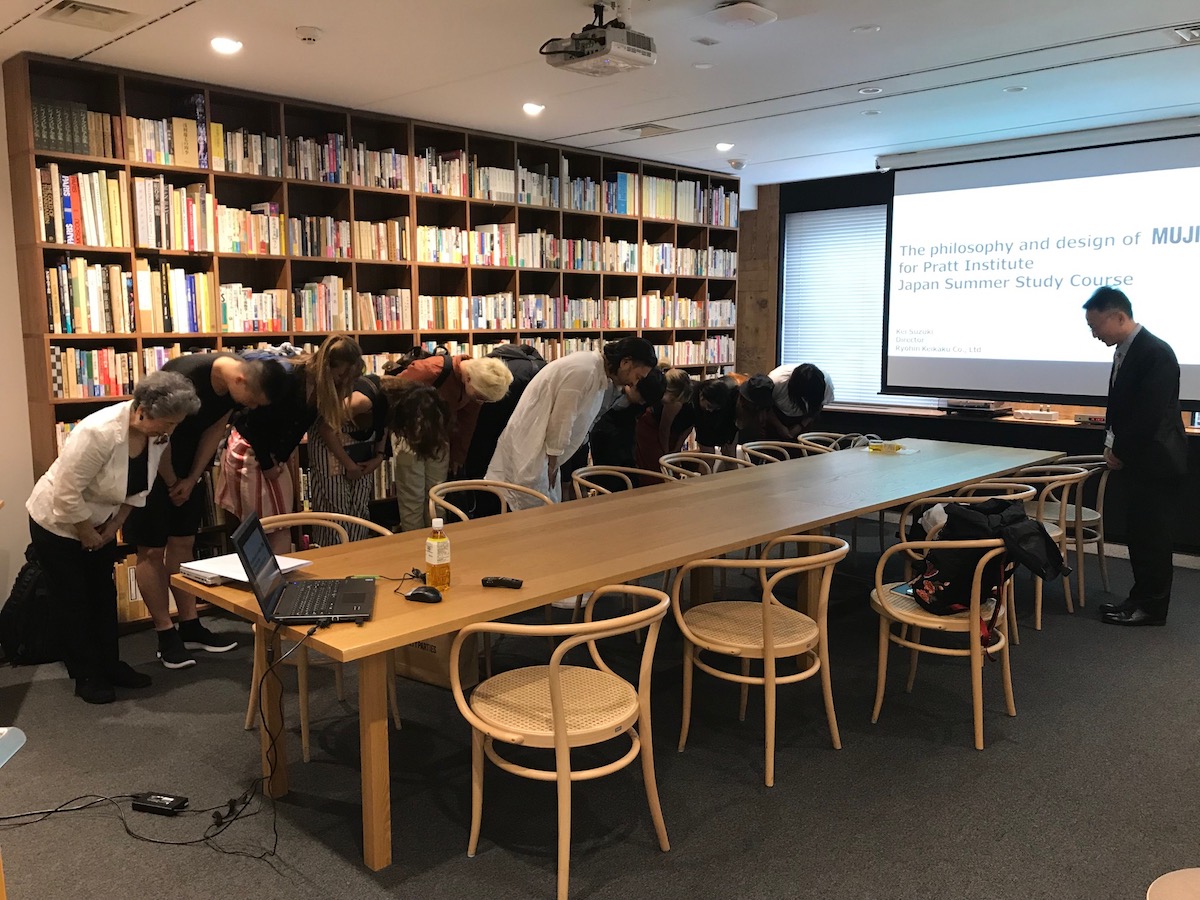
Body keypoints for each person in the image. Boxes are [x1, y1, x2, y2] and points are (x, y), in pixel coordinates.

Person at [26, 370, 201, 704]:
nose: (170, 431)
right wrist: (86, 532)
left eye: (176, 424)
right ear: (141, 411)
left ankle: (110, 664)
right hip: (58, 523)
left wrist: (113, 525)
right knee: (73, 600)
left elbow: (138, 488)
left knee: (103, 596)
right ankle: (86, 674)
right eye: (167, 423)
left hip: (100, 523)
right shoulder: (98, 432)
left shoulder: (155, 435)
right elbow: (66, 492)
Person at [124, 353, 288, 669]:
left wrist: (194, 476)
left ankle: (190, 625)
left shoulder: (232, 388)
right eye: (252, 401)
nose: (251, 408)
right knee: (150, 550)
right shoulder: (185, 376)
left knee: (183, 543)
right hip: (149, 465)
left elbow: (215, 430)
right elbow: (161, 433)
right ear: (240, 380)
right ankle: (165, 633)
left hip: (186, 471)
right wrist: (174, 481)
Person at [1084, 286, 1187, 626]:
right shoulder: (1127, 350)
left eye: (1096, 326)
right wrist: (1113, 444)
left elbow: (1149, 414)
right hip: (1138, 460)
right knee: (1140, 536)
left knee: (1153, 539)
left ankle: (1151, 608)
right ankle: (1138, 600)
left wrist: (1120, 451)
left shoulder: (1155, 352)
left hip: (1156, 462)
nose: (1094, 333)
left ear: (1119, 317)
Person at [216, 334, 364, 554]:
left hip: (273, 455)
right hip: (252, 450)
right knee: (267, 527)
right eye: (341, 374)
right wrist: (267, 465)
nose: (342, 381)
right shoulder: (289, 378)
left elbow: (297, 429)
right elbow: (254, 423)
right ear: (327, 365)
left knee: (282, 523)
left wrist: (279, 460)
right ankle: (268, 582)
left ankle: (278, 581)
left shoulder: (319, 388)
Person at [486, 337, 658, 508]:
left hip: (543, 451)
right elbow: (562, 419)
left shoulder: (595, 370)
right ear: (625, 362)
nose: (634, 383)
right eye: (637, 376)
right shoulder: (585, 371)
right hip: (534, 449)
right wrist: (553, 461)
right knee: (532, 513)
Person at [307, 375, 450, 542]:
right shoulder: (363, 400)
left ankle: (357, 557)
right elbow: (326, 428)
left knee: (359, 511)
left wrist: (379, 456)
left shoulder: (398, 401)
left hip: (361, 445)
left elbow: (383, 424)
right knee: (337, 513)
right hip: (331, 446)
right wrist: (349, 465)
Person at [393, 353, 513, 531]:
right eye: (481, 397)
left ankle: (438, 542)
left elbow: (467, 422)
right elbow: (392, 392)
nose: (480, 401)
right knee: (413, 499)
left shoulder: (476, 385)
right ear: (469, 379)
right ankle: (415, 546)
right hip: (410, 439)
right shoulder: (431, 370)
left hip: (440, 439)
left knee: (439, 498)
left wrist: (458, 455)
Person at [462, 344, 547, 517]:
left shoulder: (493, 374)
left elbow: (484, 421)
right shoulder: (538, 368)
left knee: (485, 493)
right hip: (519, 446)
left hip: (486, 444)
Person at [586, 368, 667, 489]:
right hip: (603, 435)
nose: (641, 403)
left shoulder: (645, 395)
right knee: (607, 479)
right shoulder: (609, 387)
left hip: (626, 437)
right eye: (641, 398)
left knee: (629, 476)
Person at [765, 362, 833, 440]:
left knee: (802, 447)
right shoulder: (776, 381)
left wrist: (801, 425)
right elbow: (766, 407)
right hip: (776, 415)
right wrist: (779, 426)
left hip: (805, 416)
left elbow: (819, 406)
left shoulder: (825, 383)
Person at [692, 373, 749, 455]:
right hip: (704, 424)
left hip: (726, 422)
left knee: (730, 456)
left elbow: (734, 422)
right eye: (709, 406)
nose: (710, 410)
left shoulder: (730, 397)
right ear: (701, 396)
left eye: (714, 408)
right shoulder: (694, 394)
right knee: (708, 459)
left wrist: (729, 440)